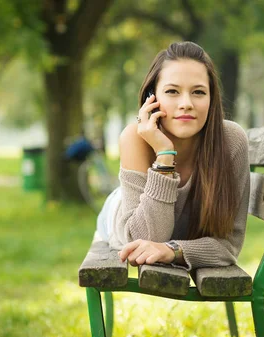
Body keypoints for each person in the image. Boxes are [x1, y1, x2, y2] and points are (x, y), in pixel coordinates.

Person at [95, 41, 250, 271]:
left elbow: (228, 246)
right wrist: (164, 156)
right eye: (172, 91)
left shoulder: (231, 141)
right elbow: (144, 239)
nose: (186, 104)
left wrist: (173, 250)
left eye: (198, 92)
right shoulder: (135, 138)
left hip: (174, 235)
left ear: (211, 98)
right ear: (152, 98)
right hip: (120, 219)